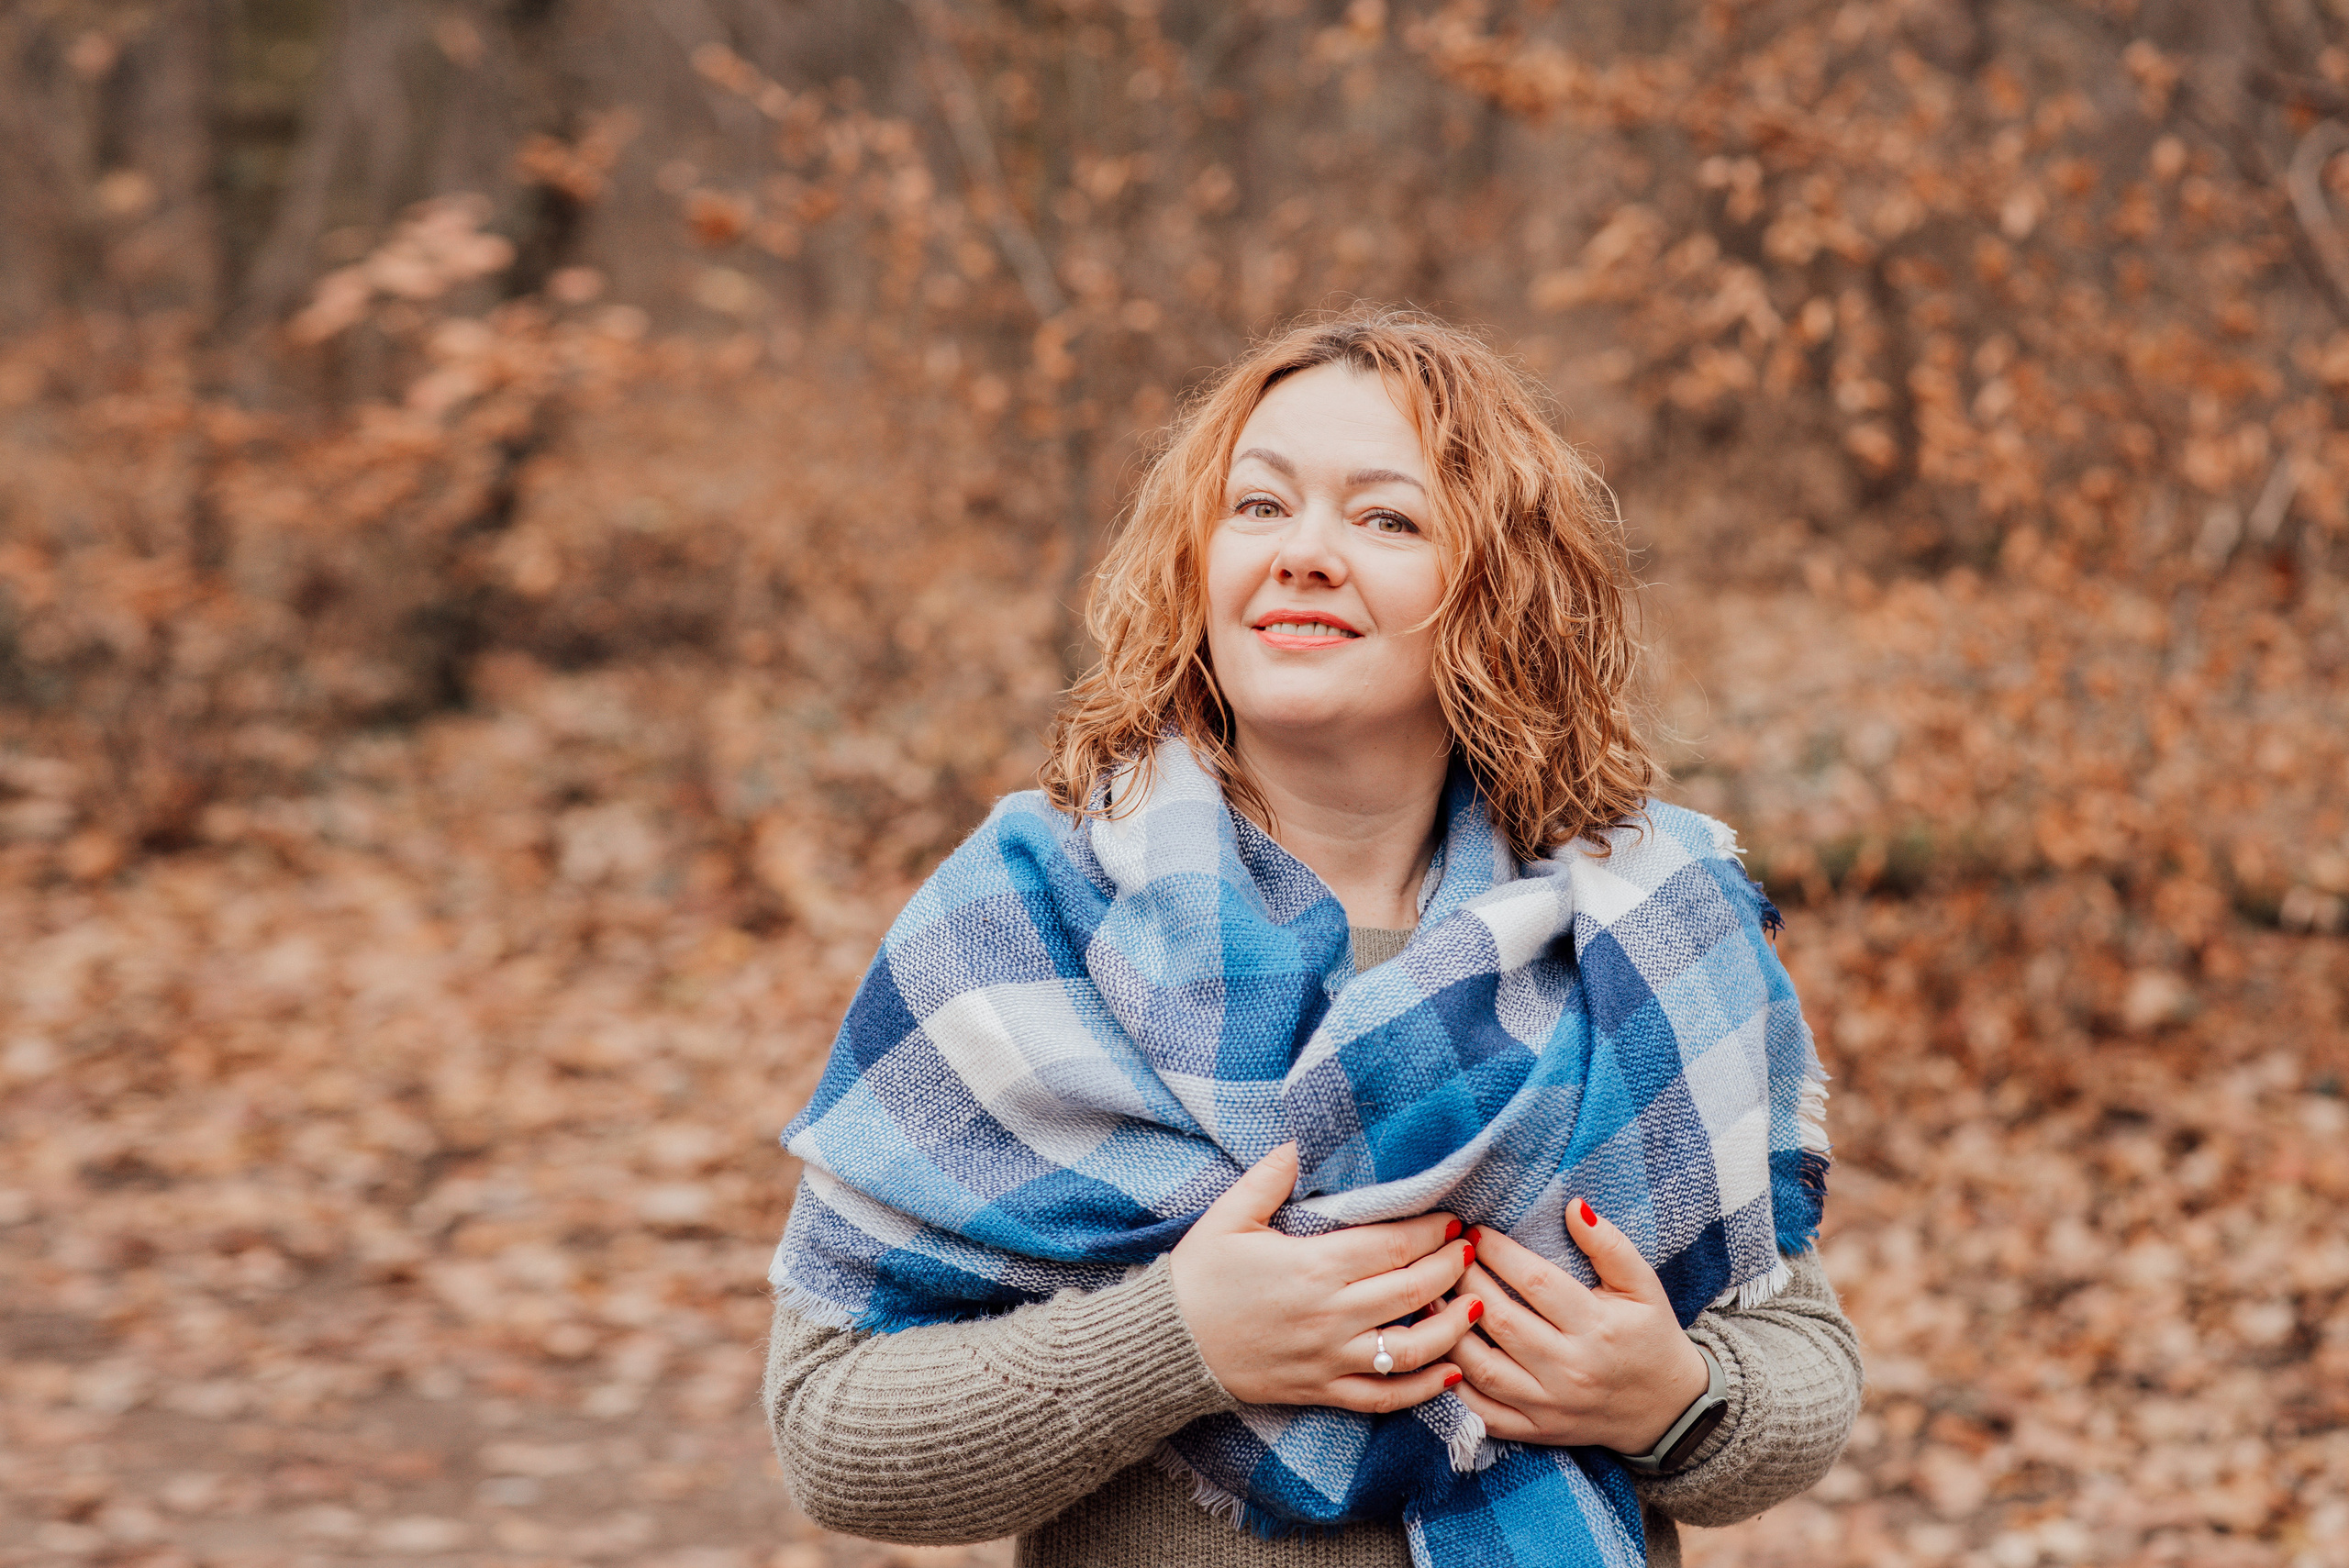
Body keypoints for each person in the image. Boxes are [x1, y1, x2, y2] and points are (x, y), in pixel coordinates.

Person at [762, 308, 1862, 1568]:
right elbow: (831, 1428)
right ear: (1198, 560)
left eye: (1386, 518)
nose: (1305, 554)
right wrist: (1181, 1337)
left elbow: (1803, 1358)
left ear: (1502, 591)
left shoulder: (1643, 929)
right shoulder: (1029, 916)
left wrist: (1673, 1401)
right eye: (1260, 505)